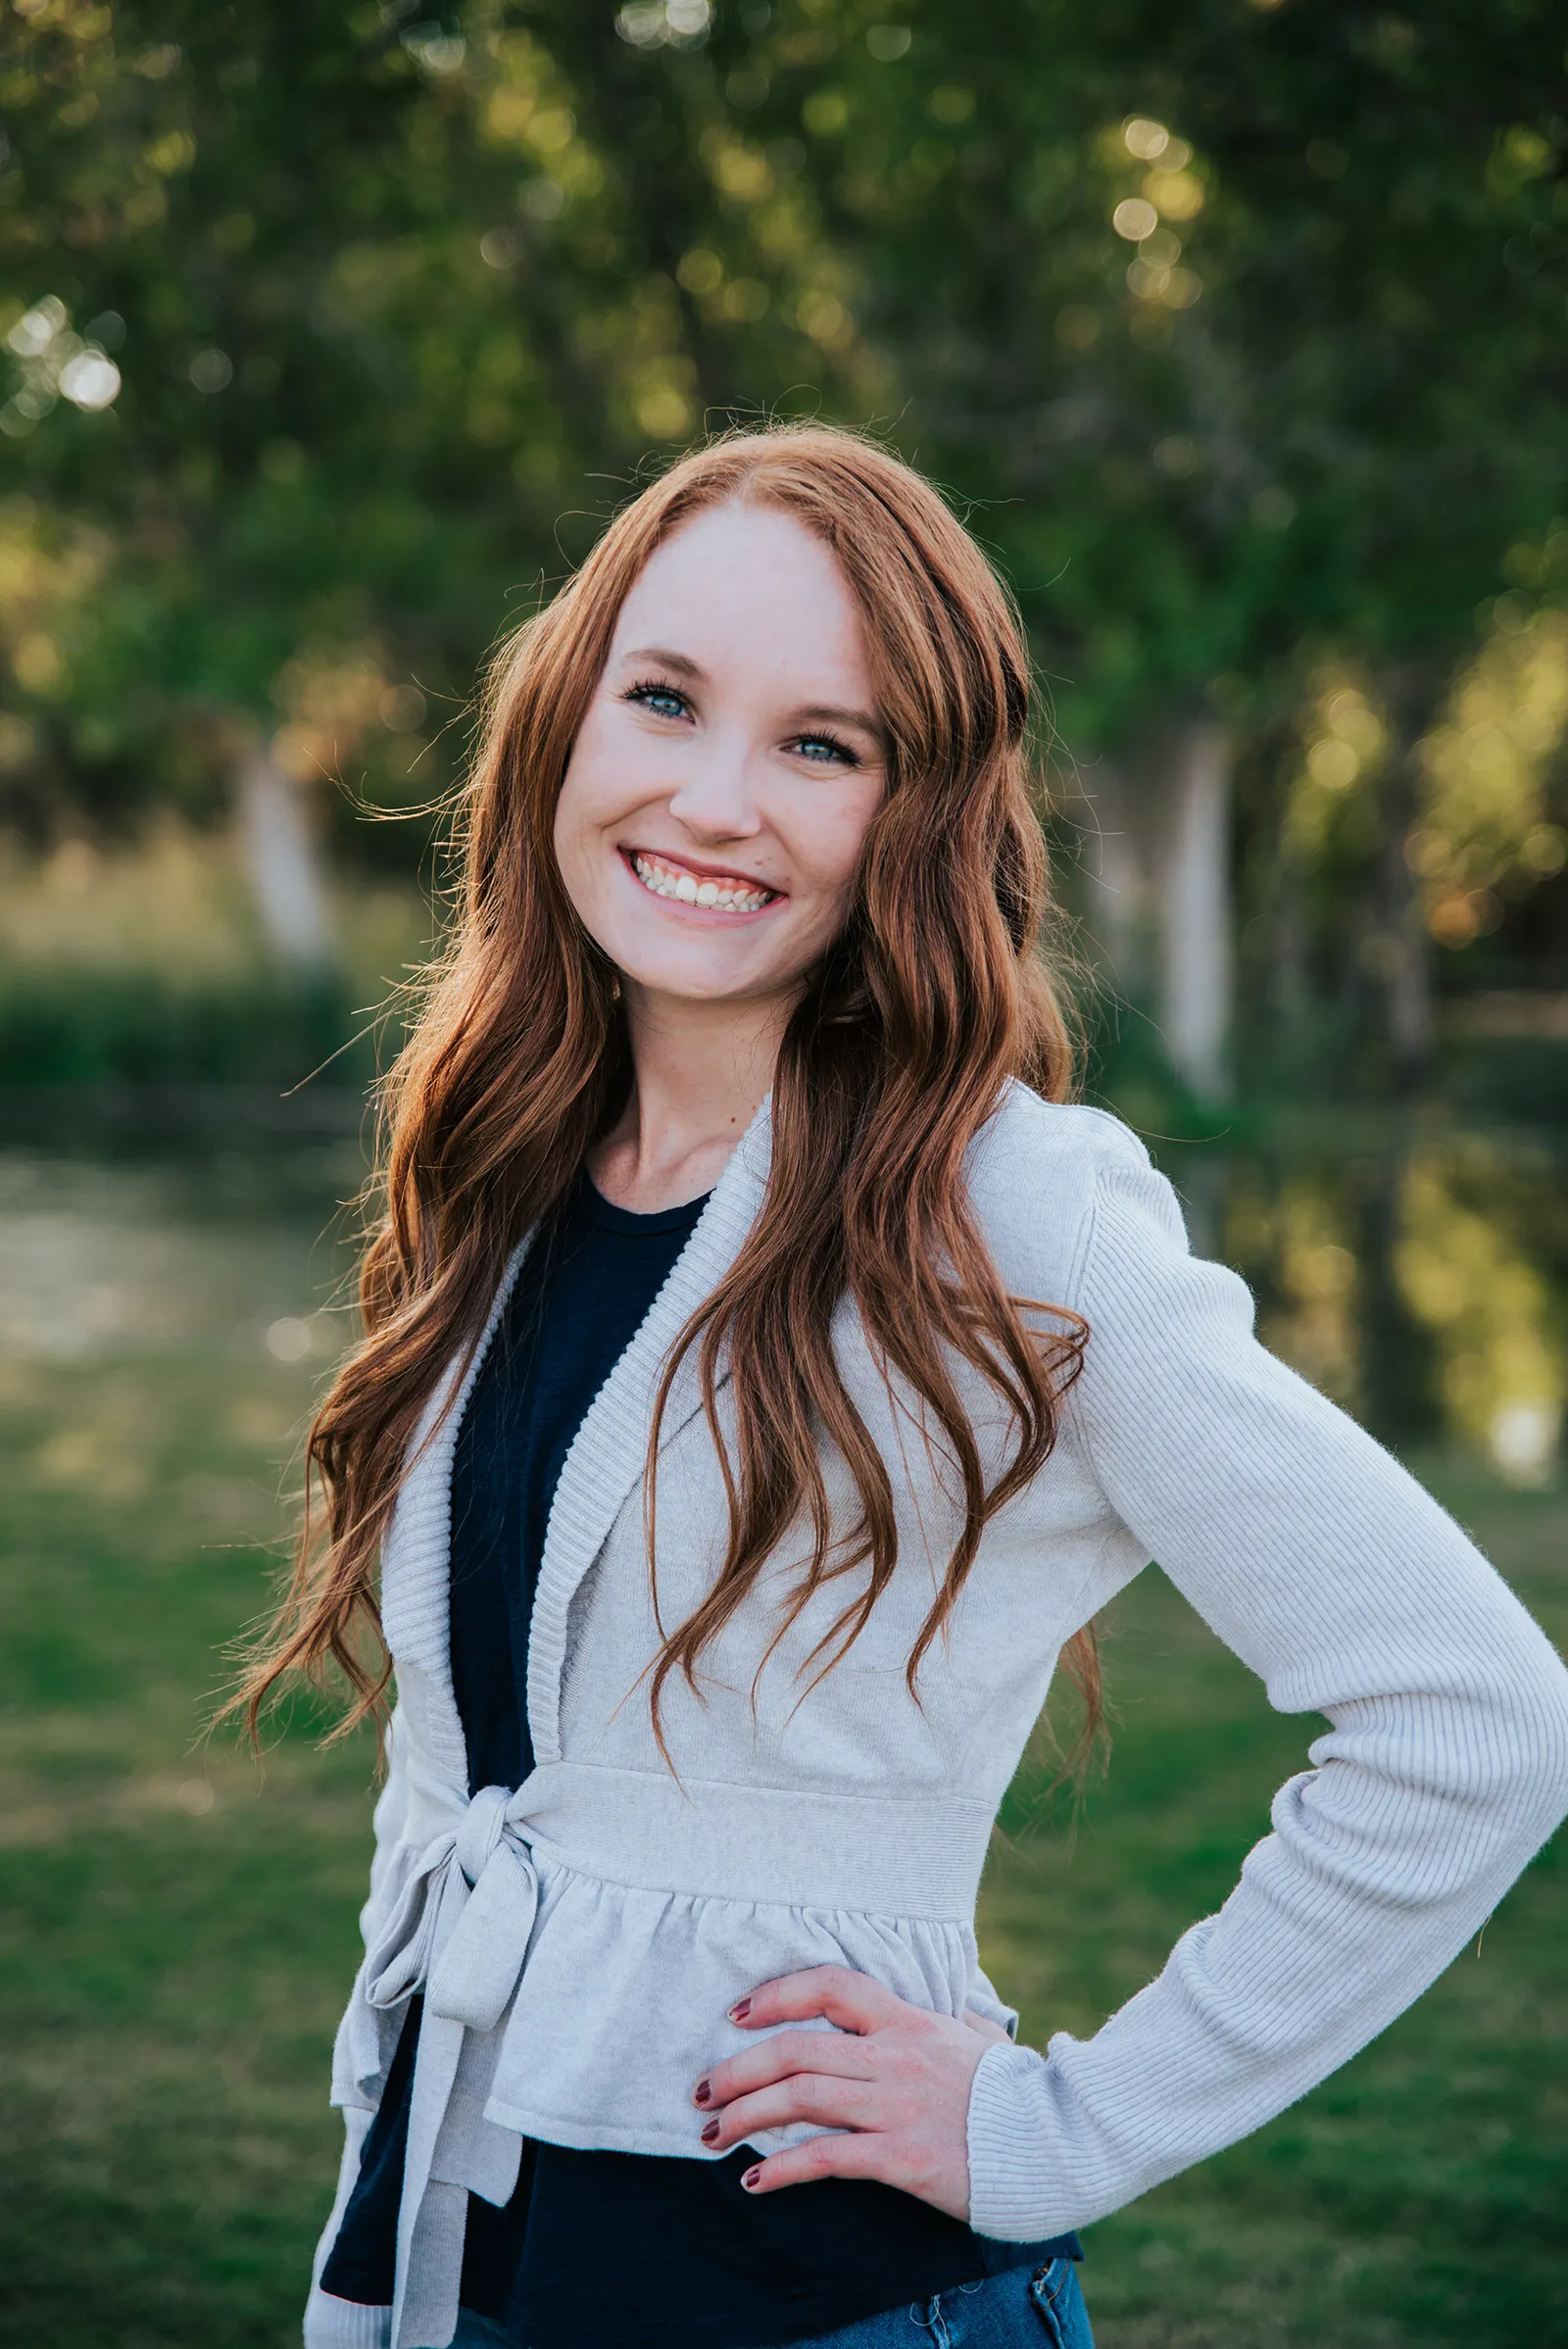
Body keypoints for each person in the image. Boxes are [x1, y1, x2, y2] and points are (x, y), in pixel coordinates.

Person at [239, 424, 1568, 2349]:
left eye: (820, 744)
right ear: (564, 719)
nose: (711, 797)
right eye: (666, 698)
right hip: (472, 2270)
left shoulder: (1011, 1211)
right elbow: (458, 1780)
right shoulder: (514, 1162)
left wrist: (1053, 2132)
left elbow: (1470, 1720)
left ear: (913, 813)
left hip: (817, 2301)